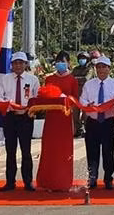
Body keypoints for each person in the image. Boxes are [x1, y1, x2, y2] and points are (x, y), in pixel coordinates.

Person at [0, 51, 39, 192]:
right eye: (15, 63)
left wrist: (29, 110)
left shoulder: (32, 80)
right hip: (10, 117)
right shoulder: (5, 79)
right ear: (11, 65)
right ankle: (10, 182)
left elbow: (37, 99)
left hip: (26, 118)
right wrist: (10, 105)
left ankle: (28, 181)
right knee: (10, 150)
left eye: (21, 63)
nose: (18, 66)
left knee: (26, 151)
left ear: (26, 64)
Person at [80, 56, 114, 190]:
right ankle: (92, 178)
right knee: (92, 151)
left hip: (107, 121)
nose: (101, 70)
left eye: (104, 67)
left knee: (108, 151)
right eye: (98, 67)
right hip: (92, 122)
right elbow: (82, 100)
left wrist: (112, 106)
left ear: (109, 69)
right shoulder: (89, 84)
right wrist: (89, 105)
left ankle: (108, 178)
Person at [36, 51, 79, 191]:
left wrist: (65, 99)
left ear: (68, 63)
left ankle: (63, 181)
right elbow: (43, 97)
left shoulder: (72, 80)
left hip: (65, 118)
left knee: (64, 149)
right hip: (51, 119)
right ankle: (48, 181)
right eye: (58, 61)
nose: (61, 64)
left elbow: (75, 100)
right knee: (50, 149)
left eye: (64, 61)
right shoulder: (49, 79)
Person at [71, 51, 91, 137]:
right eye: (80, 58)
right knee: (75, 114)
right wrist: (79, 80)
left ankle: (86, 129)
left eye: (84, 58)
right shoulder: (75, 69)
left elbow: (86, 79)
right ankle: (77, 129)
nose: (81, 60)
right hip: (76, 94)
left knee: (86, 114)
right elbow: (71, 80)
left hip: (86, 94)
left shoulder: (90, 69)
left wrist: (77, 79)